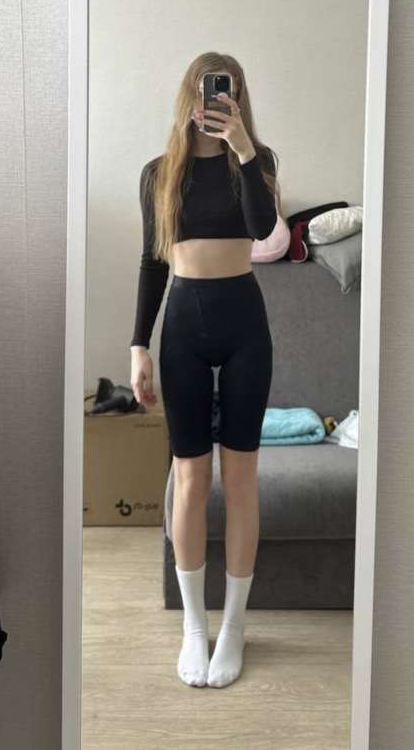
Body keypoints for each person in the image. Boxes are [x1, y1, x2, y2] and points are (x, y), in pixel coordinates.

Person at [130, 52, 279, 688]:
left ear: (238, 98)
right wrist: (138, 345)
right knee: (190, 480)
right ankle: (195, 626)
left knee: (240, 480)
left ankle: (234, 626)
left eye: (227, 91)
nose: (216, 100)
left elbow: (264, 230)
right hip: (184, 326)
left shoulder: (259, 161)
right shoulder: (159, 173)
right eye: (208, 89)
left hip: (245, 324)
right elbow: (151, 262)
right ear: (189, 95)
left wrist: (243, 150)